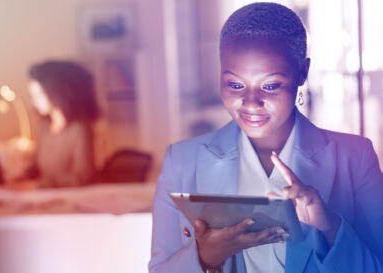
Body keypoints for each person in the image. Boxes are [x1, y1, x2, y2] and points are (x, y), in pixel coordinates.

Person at [149, 3, 383, 273]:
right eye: (235, 85)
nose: (250, 102)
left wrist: (330, 228)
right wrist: (205, 259)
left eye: (270, 86)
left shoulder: (355, 157)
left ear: (302, 73)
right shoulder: (181, 162)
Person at [27, 60, 98, 187]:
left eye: (39, 95)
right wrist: (21, 175)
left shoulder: (79, 129)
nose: (34, 101)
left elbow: (83, 177)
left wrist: (42, 184)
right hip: (47, 197)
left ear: (57, 92)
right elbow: (38, 167)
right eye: (33, 95)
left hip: (70, 199)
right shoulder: (45, 126)